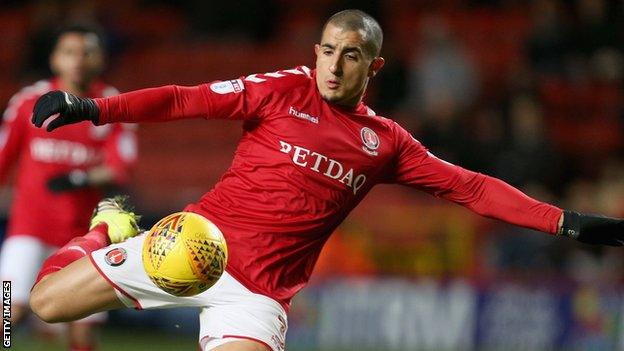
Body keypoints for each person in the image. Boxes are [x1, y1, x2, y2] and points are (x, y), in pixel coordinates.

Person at [27, 9, 624, 351]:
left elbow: (470, 187)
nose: (334, 67)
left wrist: (566, 223)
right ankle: (104, 232)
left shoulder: (386, 144)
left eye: (352, 55)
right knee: (44, 305)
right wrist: (96, 108)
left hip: (257, 294)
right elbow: (184, 99)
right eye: (328, 51)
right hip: (185, 245)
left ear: (375, 64)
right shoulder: (283, 89)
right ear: (316, 51)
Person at [0, 25, 137, 351]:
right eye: (69, 52)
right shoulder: (29, 101)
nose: (77, 60)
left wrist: (81, 179)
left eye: (86, 52)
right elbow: (3, 158)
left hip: (83, 234)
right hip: (28, 230)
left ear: (100, 59)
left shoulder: (113, 104)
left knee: (83, 332)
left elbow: (121, 168)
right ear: (54, 59)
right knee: (7, 314)